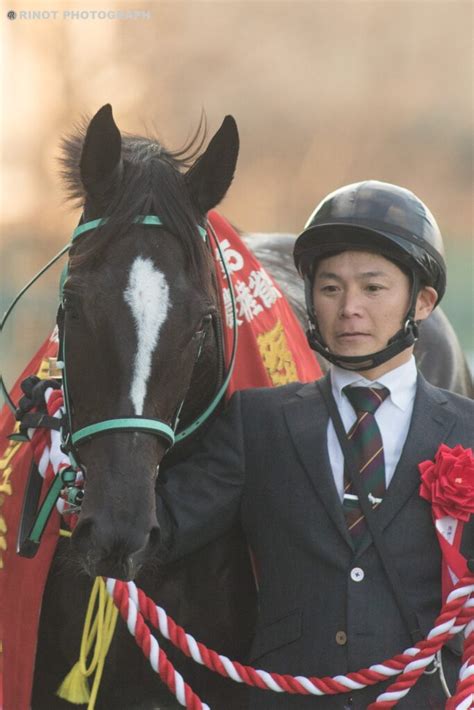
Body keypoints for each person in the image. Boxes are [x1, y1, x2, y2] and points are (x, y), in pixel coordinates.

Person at [156, 180, 474, 708]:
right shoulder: (256, 423)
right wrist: (80, 455)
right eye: (330, 288)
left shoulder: (468, 431)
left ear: (421, 302)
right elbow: (160, 530)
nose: (349, 307)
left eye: (373, 288)